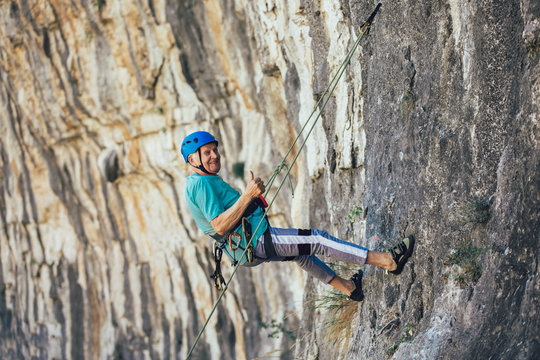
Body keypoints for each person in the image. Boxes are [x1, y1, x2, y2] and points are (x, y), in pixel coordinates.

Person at [181, 131, 415, 301]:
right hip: (255, 242)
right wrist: (248, 195)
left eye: (215, 149)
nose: (215, 155)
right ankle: (387, 260)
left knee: (300, 255)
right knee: (317, 240)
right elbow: (220, 225)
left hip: (246, 248)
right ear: (193, 159)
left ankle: (349, 288)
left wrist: (250, 196)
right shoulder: (200, 184)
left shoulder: (204, 180)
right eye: (207, 152)